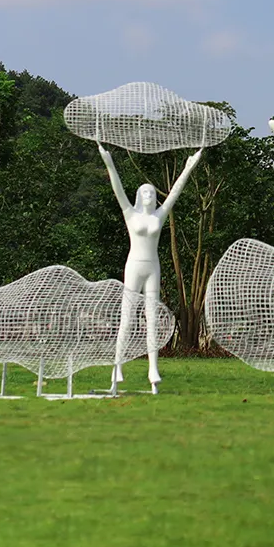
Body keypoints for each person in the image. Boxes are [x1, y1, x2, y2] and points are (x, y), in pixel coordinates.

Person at [99, 143, 202, 392]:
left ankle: (153, 369)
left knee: (153, 319)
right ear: (138, 196)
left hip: (152, 268)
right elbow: (117, 188)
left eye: (152, 193)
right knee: (127, 319)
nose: (149, 196)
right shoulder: (130, 213)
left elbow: (176, 192)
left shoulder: (159, 215)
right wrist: (109, 162)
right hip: (134, 266)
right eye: (145, 193)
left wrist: (190, 166)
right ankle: (118, 367)